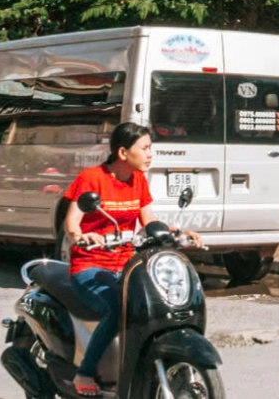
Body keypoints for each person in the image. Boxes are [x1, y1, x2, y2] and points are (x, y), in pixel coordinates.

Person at [61, 122, 193, 395]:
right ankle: (85, 372)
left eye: (150, 149)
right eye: (144, 148)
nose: (149, 154)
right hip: (90, 266)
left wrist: (179, 232)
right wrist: (80, 236)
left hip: (127, 265)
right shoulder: (92, 179)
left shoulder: (138, 180)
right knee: (119, 308)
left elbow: (149, 221)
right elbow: (72, 222)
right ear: (123, 152)